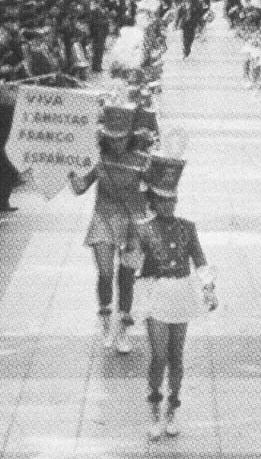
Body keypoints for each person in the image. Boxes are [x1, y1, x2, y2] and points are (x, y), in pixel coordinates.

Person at [125, 155, 216, 440]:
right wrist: (129, 252)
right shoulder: (142, 228)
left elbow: (200, 260)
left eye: (172, 201)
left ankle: (172, 409)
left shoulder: (188, 227)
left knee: (177, 356)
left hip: (181, 293)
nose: (169, 206)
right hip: (155, 293)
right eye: (163, 201)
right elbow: (133, 262)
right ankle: (153, 410)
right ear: (154, 202)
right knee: (158, 356)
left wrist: (209, 288)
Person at [69, 104, 150, 354]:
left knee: (126, 277)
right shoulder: (98, 160)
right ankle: (105, 320)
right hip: (103, 220)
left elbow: (153, 194)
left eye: (121, 138)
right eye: (111, 138)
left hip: (133, 223)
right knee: (105, 273)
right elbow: (80, 188)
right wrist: (70, 170)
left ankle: (123, 329)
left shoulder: (143, 161)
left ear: (130, 136)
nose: (116, 143)